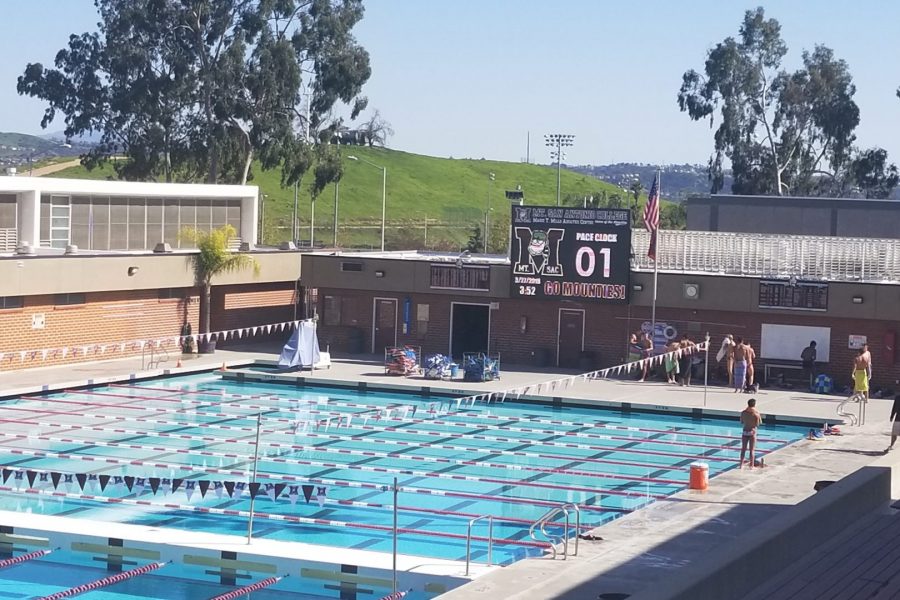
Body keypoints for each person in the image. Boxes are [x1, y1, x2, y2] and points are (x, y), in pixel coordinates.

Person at [740, 398, 762, 469]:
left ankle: (741, 464)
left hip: (745, 431)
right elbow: (758, 424)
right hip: (752, 432)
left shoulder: (743, 413)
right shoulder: (756, 414)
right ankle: (751, 465)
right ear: (754, 405)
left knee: (743, 449)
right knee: (752, 450)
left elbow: (741, 422)